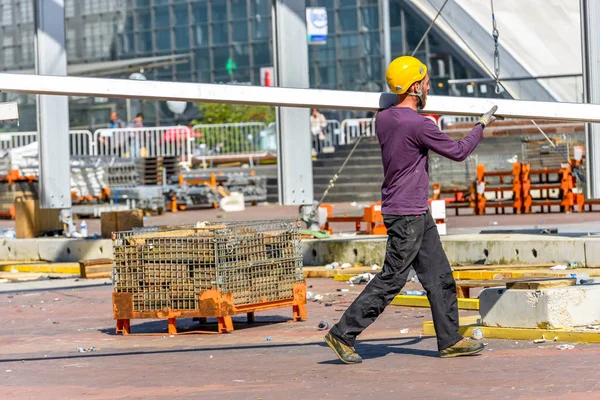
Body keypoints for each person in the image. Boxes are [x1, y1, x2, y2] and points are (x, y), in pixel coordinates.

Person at [324, 55, 502, 363]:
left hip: (413, 210)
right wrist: (481, 125)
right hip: (408, 214)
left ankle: (449, 340)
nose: (430, 87)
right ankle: (342, 333)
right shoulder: (419, 124)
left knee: (439, 276)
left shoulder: (384, 118)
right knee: (393, 278)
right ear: (416, 87)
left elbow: (393, 105)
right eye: (427, 82)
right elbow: (459, 152)